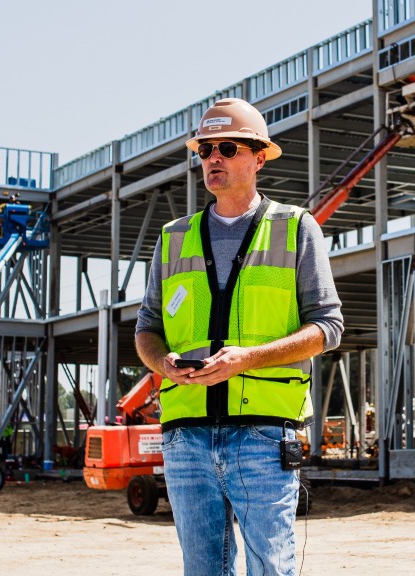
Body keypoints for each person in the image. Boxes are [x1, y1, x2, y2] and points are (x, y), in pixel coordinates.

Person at [135, 97, 343, 576]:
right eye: (206, 150)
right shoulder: (173, 237)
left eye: (227, 148)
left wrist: (248, 359)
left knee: (271, 566)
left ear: (259, 157)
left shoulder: (295, 228)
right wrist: (162, 363)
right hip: (186, 436)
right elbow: (148, 327)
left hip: (264, 433)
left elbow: (328, 326)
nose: (213, 159)